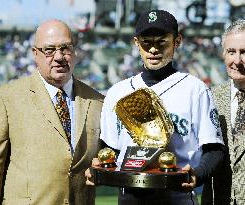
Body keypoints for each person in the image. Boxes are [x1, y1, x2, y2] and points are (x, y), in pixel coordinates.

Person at [86, 9, 225, 205]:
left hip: (177, 196)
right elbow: (110, 149)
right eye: (147, 42)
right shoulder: (118, 92)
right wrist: (100, 166)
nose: (153, 49)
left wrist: (198, 175)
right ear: (136, 43)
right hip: (128, 197)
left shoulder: (196, 89)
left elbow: (214, 149)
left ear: (177, 41)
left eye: (162, 42)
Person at [0, 19, 104, 205]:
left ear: (74, 51)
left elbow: (107, 156)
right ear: (35, 54)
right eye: (49, 50)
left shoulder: (97, 101)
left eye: (65, 48)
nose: (59, 56)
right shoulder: (7, 98)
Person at [201, 19, 245, 205]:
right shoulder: (209, 97)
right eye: (231, 52)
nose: (237, 61)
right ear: (223, 54)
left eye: (244, 52)